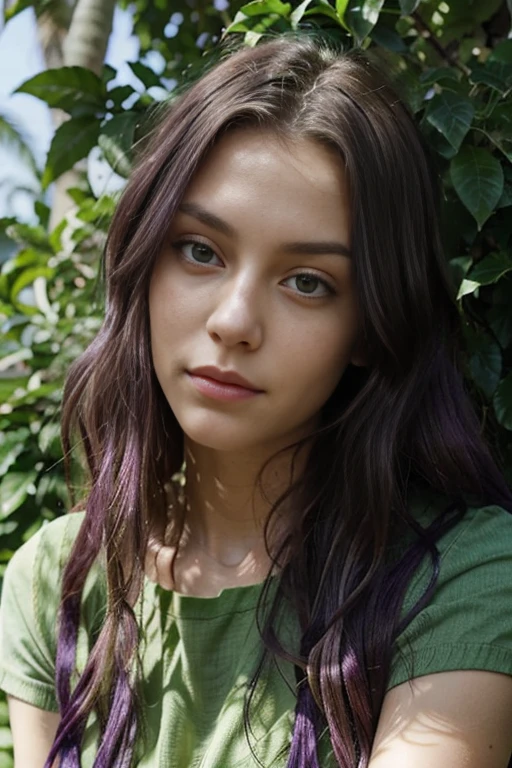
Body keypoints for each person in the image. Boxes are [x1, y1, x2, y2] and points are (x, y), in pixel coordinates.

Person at [1, 35, 511, 768]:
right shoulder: (60, 582)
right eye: (200, 250)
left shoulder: (460, 578)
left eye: (308, 281)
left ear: (370, 326)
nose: (234, 322)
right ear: (145, 262)